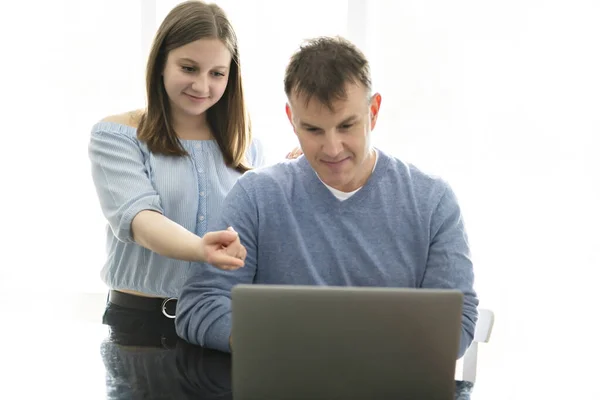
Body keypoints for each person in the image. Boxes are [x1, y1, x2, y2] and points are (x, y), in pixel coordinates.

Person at [175, 36, 479, 358]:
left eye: (347, 126)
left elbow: (458, 318)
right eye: (314, 130)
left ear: (373, 112)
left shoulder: (432, 201)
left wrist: (370, 356)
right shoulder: (257, 197)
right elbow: (200, 304)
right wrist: (272, 347)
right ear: (292, 119)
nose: (333, 149)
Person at [88, 1, 297, 345]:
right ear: (160, 64)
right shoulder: (116, 136)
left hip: (221, 324)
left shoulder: (248, 149)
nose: (202, 86)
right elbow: (141, 221)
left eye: (217, 73)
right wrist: (202, 249)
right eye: (188, 68)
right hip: (139, 326)